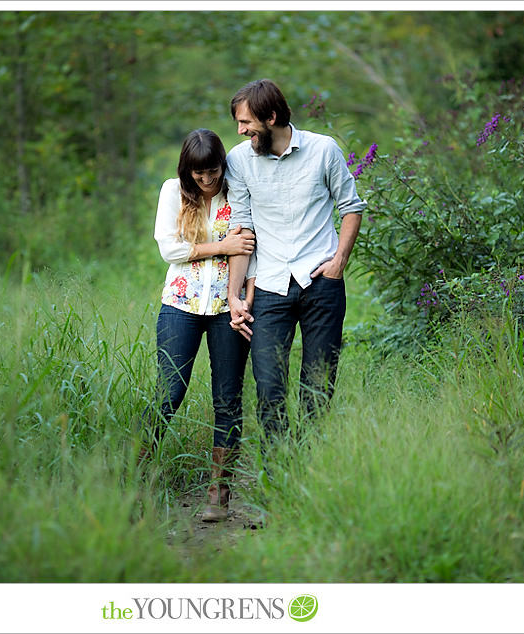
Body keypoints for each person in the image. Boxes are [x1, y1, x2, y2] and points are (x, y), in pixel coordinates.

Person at [225, 79, 367, 450]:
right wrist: (235, 294)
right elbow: (242, 229)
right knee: (269, 387)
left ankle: (308, 469)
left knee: (318, 386)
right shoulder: (239, 160)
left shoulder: (323, 150)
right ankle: (278, 470)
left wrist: (339, 262)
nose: (241, 131)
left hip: (321, 282)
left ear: (271, 117)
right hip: (270, 287)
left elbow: (351, 207)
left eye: (246, 123)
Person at [146, 128, 256, 522]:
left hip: (229, 308)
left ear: (222, 166)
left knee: (227, 398)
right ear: (187, 171)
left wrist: (244, 301)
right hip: (180, 302)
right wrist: (221, 247)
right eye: (199, 175)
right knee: (169, 391)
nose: (207, 181)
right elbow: (169, 248)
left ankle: (219, 491)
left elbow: (252, 250)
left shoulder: (239, 192)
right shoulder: (172, 191)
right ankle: (138, 476)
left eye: (212, 172)